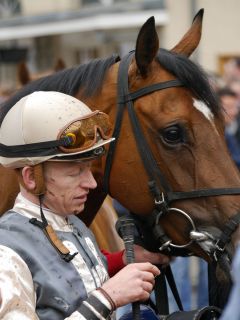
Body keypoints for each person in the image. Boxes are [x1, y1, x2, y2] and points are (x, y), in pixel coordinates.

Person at [0, 91, 170, 320]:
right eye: (75, 172)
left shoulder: (74, 224)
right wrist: (107, 298)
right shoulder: (6, 251)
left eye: (88, 168)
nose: (91, 183)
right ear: (31, 178)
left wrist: (121, 261)